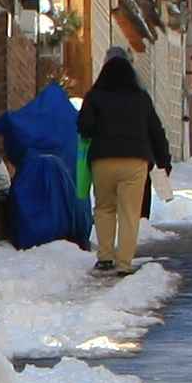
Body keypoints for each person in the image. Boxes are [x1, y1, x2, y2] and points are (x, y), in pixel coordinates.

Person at [78, 41, 174, 273]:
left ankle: (105, 257)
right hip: (135, 161)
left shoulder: (95, 96)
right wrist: (164, 161)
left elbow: (84, 127)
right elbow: (156, 131)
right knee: (129, 213)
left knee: (104, 209)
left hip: (102, 161)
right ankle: (124, 262)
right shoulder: (140, 98)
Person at [0, 61, 90, 252]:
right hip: (66, 178)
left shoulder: (37, 118)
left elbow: (16, 125)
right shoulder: (72, 120)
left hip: (34, 171)